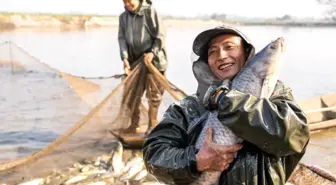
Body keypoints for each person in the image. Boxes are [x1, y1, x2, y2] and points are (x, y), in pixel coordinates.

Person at [142, 25, 310, 185]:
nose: (221, 55)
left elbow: (295, 137)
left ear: (246, 53)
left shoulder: (275, 95)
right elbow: (154, 155)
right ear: (206, 62)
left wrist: (225, 100)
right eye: (213, 51)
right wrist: (197, 160)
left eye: (229, 47)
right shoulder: (187, 108)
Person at [118, 0, 168, 133]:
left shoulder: (150, 11)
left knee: (154, 96)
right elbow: (122, 39)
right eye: (124, 1)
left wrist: (152, 52)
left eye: (129, 1)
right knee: (131, 94)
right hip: (135, 62)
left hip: (154, 61)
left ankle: (152, 126)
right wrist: (125, 58)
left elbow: (160, 36)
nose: (127, 4)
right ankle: (134, 125)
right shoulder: (123, 17)